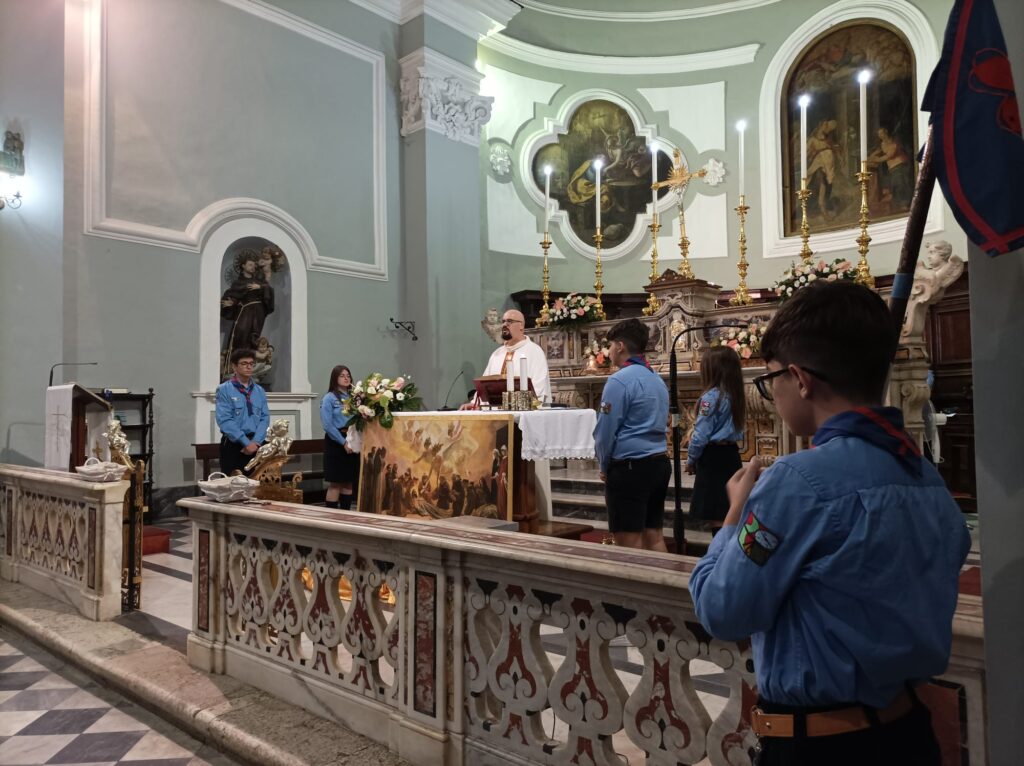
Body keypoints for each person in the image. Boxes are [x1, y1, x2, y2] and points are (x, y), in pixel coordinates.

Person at [689, 281, 970, 766]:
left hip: (821, 745)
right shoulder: (923, 475)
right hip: (907, 731)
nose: (771, 393)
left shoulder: (798, 483)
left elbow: (722, 609)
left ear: (800, 379)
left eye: (770, 380)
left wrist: (736, 513)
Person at [592, 318, 670, 551]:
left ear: (620, 346)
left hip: (630, 468)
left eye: (610, 345)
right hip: (659, 463)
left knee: (628, 542)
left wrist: (604, 465)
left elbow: (606, 431)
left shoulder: (619, 380)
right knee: (654, 536)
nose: (608, 351)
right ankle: (663, 577)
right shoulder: (656, 379)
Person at [685, 345, 746, 527]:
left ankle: (720, 546)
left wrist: (690, 460)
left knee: (717, 516)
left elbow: (700, 435)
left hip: (714, 459)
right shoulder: (735, 395)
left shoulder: (711, 398)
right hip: (731, 455)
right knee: (730, 512)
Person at [463, 309, 551, 407]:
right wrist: (474, 404)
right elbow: (484, 386)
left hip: (523, 411)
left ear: (521, 325)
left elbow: (539, 387)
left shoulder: (534, 352)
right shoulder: (497, 354)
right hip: (496, 411)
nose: (505, 325)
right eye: (503, 321)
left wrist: (519, 404)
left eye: (509, 321)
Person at [220, 250, 275, 380]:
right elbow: (234, 295)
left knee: (253, 336)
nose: (253, 267)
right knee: (240, 332)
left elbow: (269, 290)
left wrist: (260, 288)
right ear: (243, 266)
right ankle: (236, 366)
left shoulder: (259, 281)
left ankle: (250, 364)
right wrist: (231, 303)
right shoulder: (238, 283)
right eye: (250, 264)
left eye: (254, 265)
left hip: (258, 312)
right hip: (244, 311)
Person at [215, 348, 270, 477]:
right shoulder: (224, 389)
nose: (249, 367)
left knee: (258, 484)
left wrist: (255, 442)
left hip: (257, 444)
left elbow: (264, 417)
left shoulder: (259, 390)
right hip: (234, 444)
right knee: (234, 484)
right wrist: (246, 442)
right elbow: (225, 420)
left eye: (251, 364)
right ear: (234, 366)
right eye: (244, 363)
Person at [320, 365, 359, 510]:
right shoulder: (329, 398)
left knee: (348, 481)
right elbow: (327, 425)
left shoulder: (354, 398)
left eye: (348, 375)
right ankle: (332, 516)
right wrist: (343, 442)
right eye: (342, 375)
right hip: (336, 441)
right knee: (336, 482)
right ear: (335, 378)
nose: (346, 378)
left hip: (352, 438)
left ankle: (346, 514)